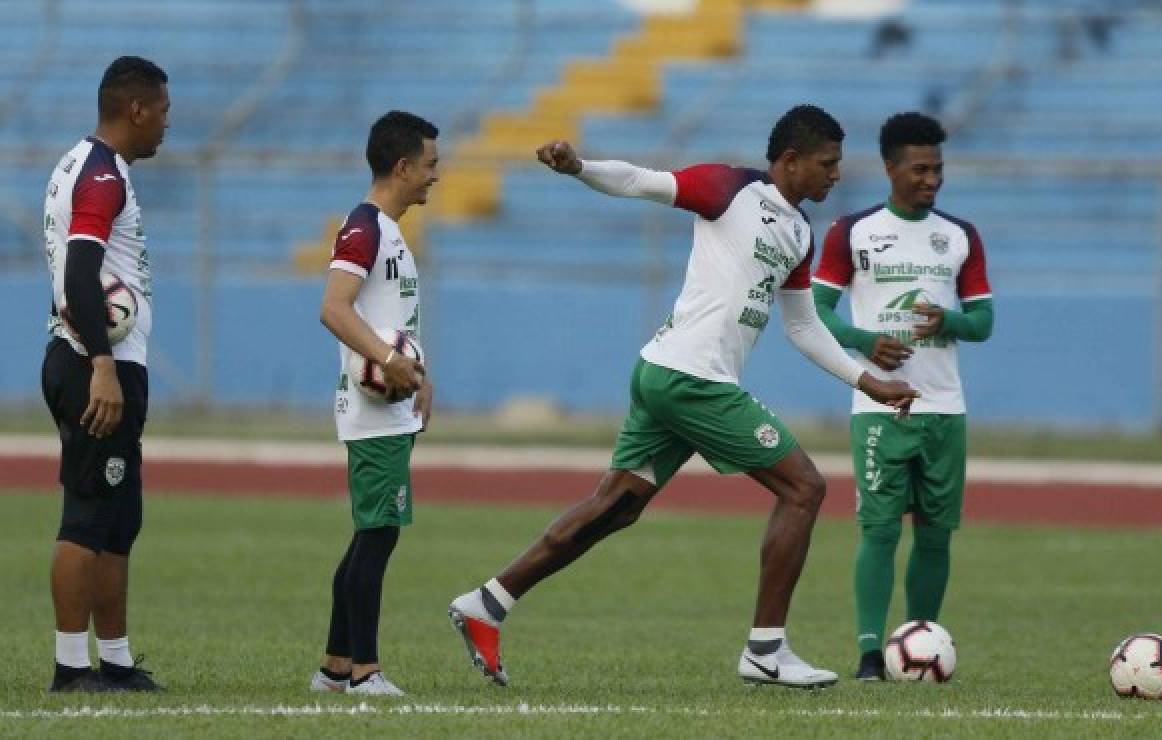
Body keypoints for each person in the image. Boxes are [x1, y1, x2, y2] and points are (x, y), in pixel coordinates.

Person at [449, 105, 919, 689]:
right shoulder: (730, 189)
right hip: (691, 380)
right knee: (803, 488)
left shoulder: (800, 232)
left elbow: (802, 326)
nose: (836, 174)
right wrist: (579, 167)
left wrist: (865, 381)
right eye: (827, 163)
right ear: (791, 160)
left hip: (667, 375)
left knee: (616, 507)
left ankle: (487, 603)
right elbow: (641, 181)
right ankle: (766, 650)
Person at [811, 112, 993, 681]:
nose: (931, 179)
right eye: (919, 169)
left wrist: (949, 321)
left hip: (945, 409)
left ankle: (920, 643)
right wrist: (865, 342)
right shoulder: (852, 232)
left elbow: (983, 322)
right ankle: (870, 655)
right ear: (890, 167)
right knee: (880, 530)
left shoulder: (959, 236)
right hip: (880, 408)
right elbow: (816, 311)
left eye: (937, 169)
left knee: (935, 536)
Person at [40, 56, 170, 693]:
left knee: (120, 520)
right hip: (93, 363)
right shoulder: (100, 176)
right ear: (136, 109)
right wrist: (101, 365)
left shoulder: (86, 164)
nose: (167, 124)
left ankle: (115, 662)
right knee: (87, 518)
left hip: (104, 360)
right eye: (163, 111)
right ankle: (71, 668)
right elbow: (79, 274)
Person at [308, 111, 435, 697]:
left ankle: (336, 667)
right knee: (378, 535)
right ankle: (365, 672)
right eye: (430, 164)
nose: (436, 175)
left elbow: (393, 320)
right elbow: (334, 308)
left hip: (391, 406)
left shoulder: (389, 229)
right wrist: (388, 360)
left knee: (371, 534)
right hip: (372, 410)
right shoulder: (364, 228)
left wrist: (419, 373)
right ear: (403, 167)